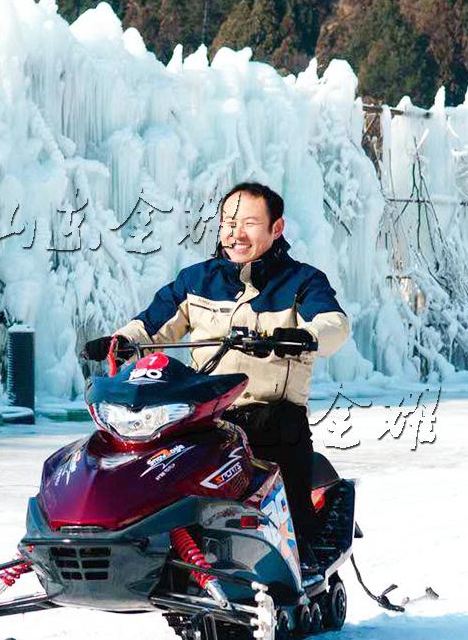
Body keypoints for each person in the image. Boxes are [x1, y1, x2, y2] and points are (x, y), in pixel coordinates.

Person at [83, 182, 350, 575]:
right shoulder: (197, 280)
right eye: (228, 223)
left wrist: (303, 336)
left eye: (249, 223)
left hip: (271, 416)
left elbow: (334, 325)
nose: (235, 233)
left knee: (284, 472)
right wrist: (122, 342)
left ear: (277, 228)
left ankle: (303, 560)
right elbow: (153, 325)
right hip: (205, 415)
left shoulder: (301, 282)